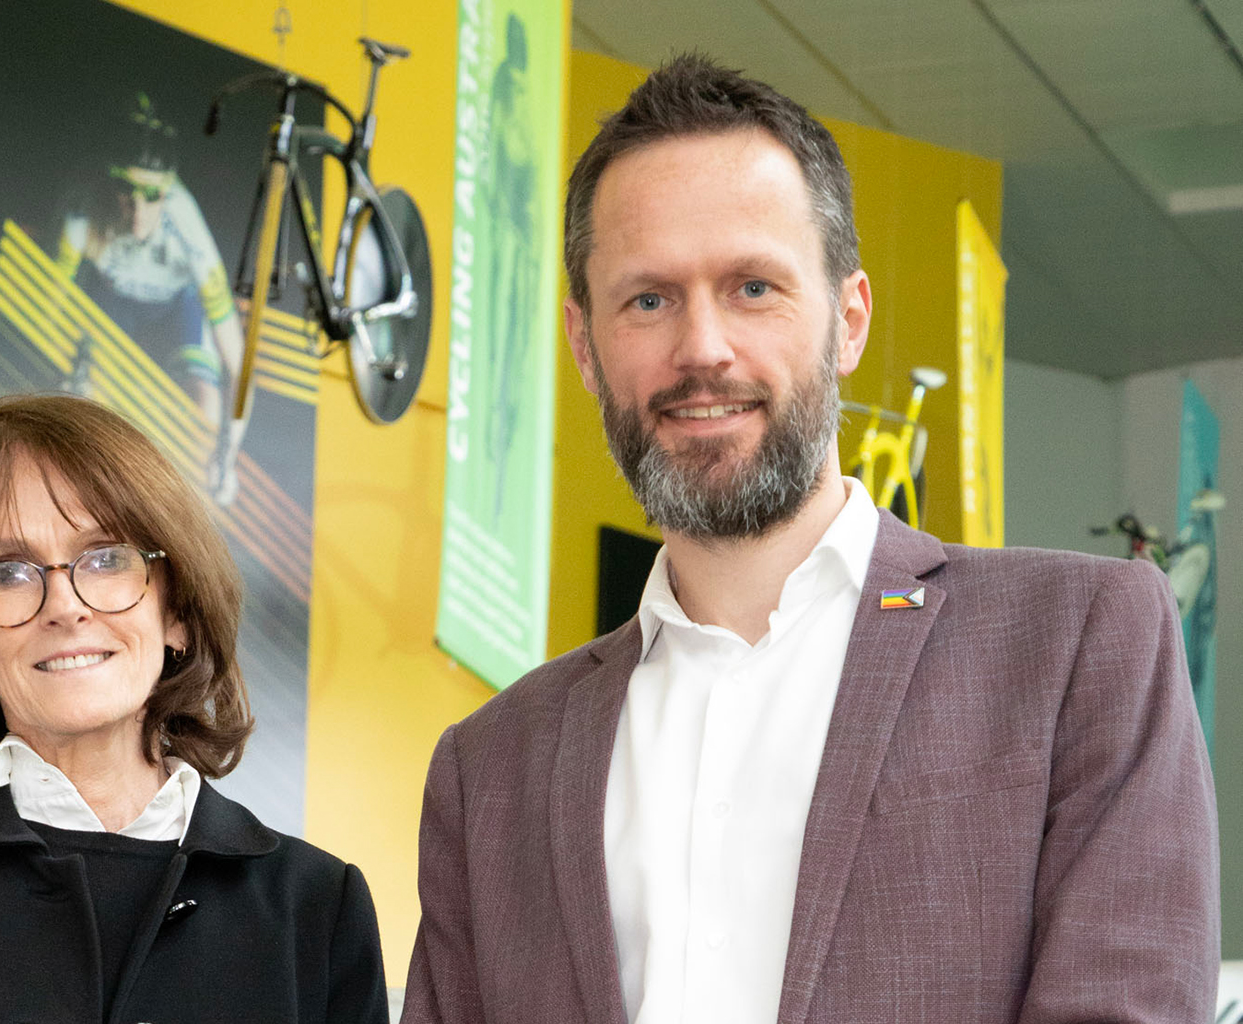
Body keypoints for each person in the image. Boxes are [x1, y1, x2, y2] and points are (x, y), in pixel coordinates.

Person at [403, 54, 1218, 1024]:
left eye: (753, 287)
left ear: (849, 320)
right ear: (585, 344)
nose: (702, 346)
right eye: (648, 299)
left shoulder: (1077, 643)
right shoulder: (489, 769)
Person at [0, 394, 388, 1023]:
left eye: (106, 558)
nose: (64, 605)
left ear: (179, 613)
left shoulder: (319, 909)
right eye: (6, 571)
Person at [56, 93, 249, 506]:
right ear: (109, 182)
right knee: (85, 405)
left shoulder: (186, 224)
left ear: (170, 190)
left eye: (152, 194)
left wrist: (226, 456)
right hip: (111, 303)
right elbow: (51, 307)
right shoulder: (83, 207)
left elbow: (238, 362)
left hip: (176, 308)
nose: (138, 209)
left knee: (205, 409)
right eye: (125, 189)